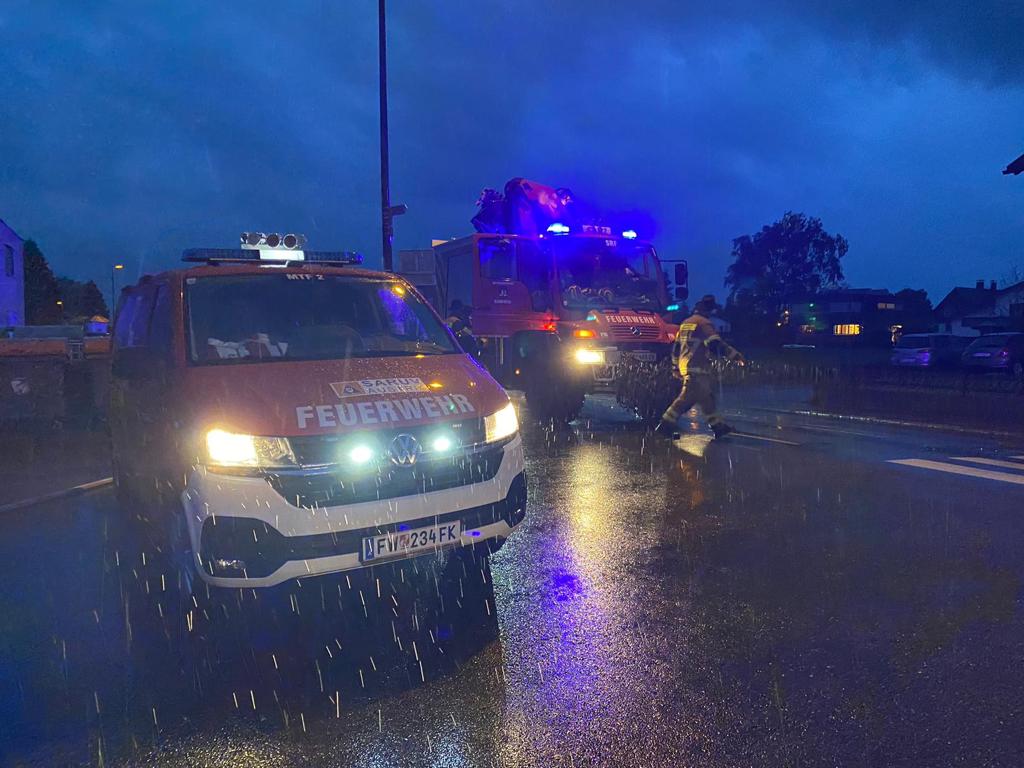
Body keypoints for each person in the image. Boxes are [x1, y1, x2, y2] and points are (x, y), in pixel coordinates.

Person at [659, 294, 744, 438]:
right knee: (685, 399)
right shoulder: (704, 323)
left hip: (685, 365)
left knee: (706, 397)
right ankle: (664, 425)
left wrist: (675, 367)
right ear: (708, 310)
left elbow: (676, 348)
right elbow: (715, 343)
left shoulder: (686, 323)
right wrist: (735, 356)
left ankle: (718, 426)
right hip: (697, 367)